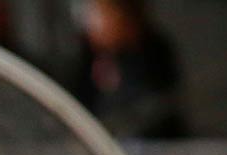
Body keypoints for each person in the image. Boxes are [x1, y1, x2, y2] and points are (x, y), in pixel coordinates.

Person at [68, 0, 186, 141]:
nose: (91, 24)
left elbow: (154, 107)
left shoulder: (153, 53)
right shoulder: (90, 57)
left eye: (100, 15)